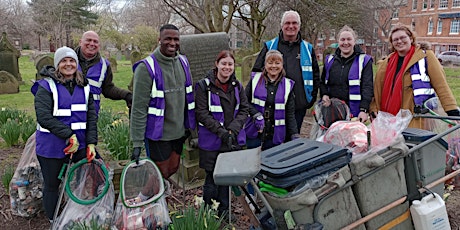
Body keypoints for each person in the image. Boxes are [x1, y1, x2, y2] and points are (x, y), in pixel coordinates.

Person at [31, 46, 98, 222]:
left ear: (76, 64)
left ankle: (92, 212)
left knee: (98, 173)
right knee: (52, 185)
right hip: (51, 146)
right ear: (57, 64)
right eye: (64, 61)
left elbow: (91, 117)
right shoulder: (46, 86)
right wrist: (69, 135)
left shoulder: (85, 87)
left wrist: (91, 143)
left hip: (81, 145)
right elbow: (44, 117)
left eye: (72, 61)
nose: (68, 64)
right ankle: (55, 220)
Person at [130, 24, 195, 179]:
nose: (172, 43)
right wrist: (137, 142)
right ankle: (150, 201)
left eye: (176, 39)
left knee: (172, 169)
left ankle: (160, 197)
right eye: (168, 39)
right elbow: (139, 108)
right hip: (158, 134)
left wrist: (190, 127)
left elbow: (188, 97)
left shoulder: (183, 62)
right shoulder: (146, 68)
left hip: (179, 132)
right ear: (159, 40)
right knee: (159, 175)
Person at [370, 24, 459, 129]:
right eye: (395, 39)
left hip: (417, 117)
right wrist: (373, 108)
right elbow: (377, 88)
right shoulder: (387, 62)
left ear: (411, 38)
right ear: (392, 43)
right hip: (390, 118)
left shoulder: (426, 56)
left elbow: (441, 85)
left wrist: (452, 111)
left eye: (403, 38)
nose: (399, 41)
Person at [195, 50, 249, 217]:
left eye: (230, 64)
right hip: (212, 139)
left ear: (234, 66)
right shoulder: (203, 86)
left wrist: (233, 129)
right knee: (212, 177)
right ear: (216, 64)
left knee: (225, 176)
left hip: (231, 138)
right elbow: (202, 113)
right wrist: (221, 132)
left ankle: (224, 211)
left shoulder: (237, 86)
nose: (227, 67)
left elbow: (244, 109)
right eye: (223, 63)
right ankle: (209, 212)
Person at [252, 10, 320, 133]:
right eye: (287, 23)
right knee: (274, 141)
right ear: (282, 25)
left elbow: (315, 75)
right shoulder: (270, 46)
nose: (291, 26)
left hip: (299, 104)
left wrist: (310, 99)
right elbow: (256, 73)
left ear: (299, 26)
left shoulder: (308, 48)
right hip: (273, 104)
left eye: (294, 23)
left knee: (293, 139)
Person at [245, 50, 299, 150]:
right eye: (270, 63)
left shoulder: (288, 85)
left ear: (282, 65)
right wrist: (256, 114)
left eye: (277, 63)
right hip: (254, 130)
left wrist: (294, 134)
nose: (273, 66)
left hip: (274, 134)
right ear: (265, 64)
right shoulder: (255, 80)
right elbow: (244, 101)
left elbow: (290, 113)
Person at [320, 25, 373, 122]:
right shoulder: (329, 60)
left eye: (349, 39)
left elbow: (367, 87)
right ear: (338, 41)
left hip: (354, 113)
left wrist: (363, 110)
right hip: (332, 112)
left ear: (354, 41)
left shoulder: (364, 60)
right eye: (342, 39)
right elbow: (322, 82)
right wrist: (324, 95)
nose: (345, 43)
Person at [75, 30, 133, 114]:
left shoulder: (104, 66)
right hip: (66, 115)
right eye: (88, 40)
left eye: (95, 42)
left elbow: (108, 89)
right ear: (80, 42)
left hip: (90, 116)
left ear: (99, 45)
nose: (92, 44)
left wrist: (126, 95)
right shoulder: (67, 60)